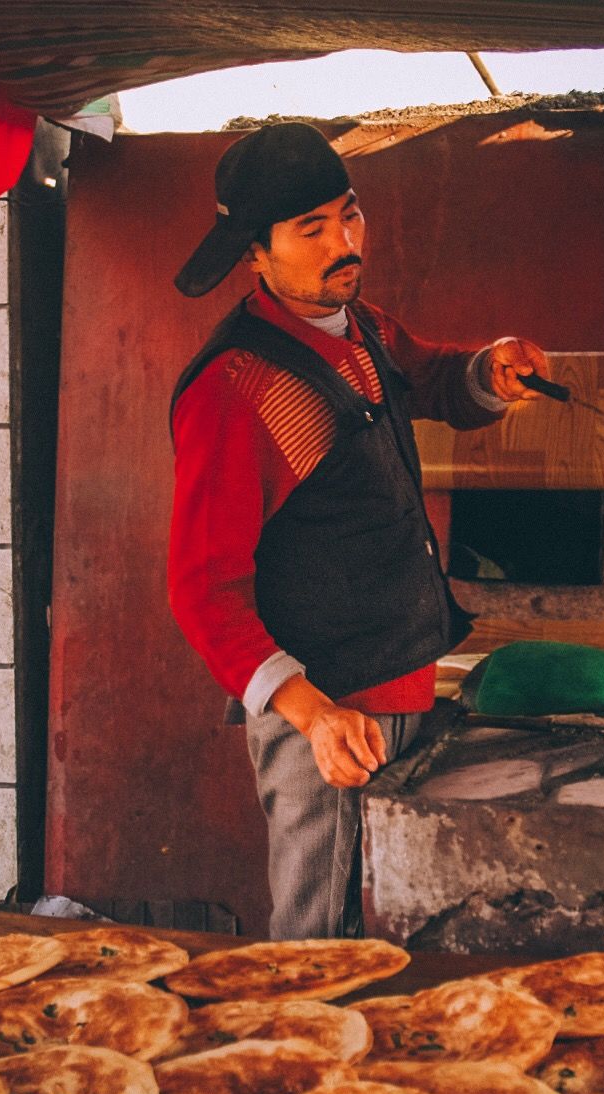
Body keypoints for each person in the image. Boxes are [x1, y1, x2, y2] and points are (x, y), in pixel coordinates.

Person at [167, 122, 550, 940]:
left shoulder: (362, 327)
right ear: (256, 255)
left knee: (396, 928)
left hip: (404, 684)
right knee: (319, 943)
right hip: (329, 716)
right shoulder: (237, 388)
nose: (345, 243)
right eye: (312, 230)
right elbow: (202, 589)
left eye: (350, 215)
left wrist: (491, 368)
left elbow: (435, 375)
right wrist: (311, 715)